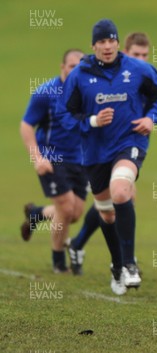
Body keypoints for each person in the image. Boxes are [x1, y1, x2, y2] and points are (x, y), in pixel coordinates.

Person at [56, 19, 157, 294]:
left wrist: (151, 119)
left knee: (121, 192)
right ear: (93, 46)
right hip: (95, 152)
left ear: (118, 43)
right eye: (101, 42)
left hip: (129, 142)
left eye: (111, 41)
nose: (107, 47)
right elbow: (64, 114)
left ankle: (130, 264)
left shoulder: (138, 68)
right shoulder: (79, 75)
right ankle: (117, 265)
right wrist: (92, 121)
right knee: (106, 215)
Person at [68, 31, 152, 275]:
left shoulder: (143, 75)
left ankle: (122, 258)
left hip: (130, 142)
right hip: (99, 147)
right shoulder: (112, 75)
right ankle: (118, 257)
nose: (142, 59)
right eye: (137, 54)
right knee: (116, 198)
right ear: (125, 52)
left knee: (121, 195)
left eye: (146, 55)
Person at [20, 49, 87, 273]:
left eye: (80, 66)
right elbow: (26, 125)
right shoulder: (46, 92)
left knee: (74, 214)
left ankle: (37, 213)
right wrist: (37, 158)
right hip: (52, 159)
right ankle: (59, 263)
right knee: (66, 209)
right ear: (62, 67)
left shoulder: (88, 93)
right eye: (71, 66)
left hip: (81, 161)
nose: (75, 70)